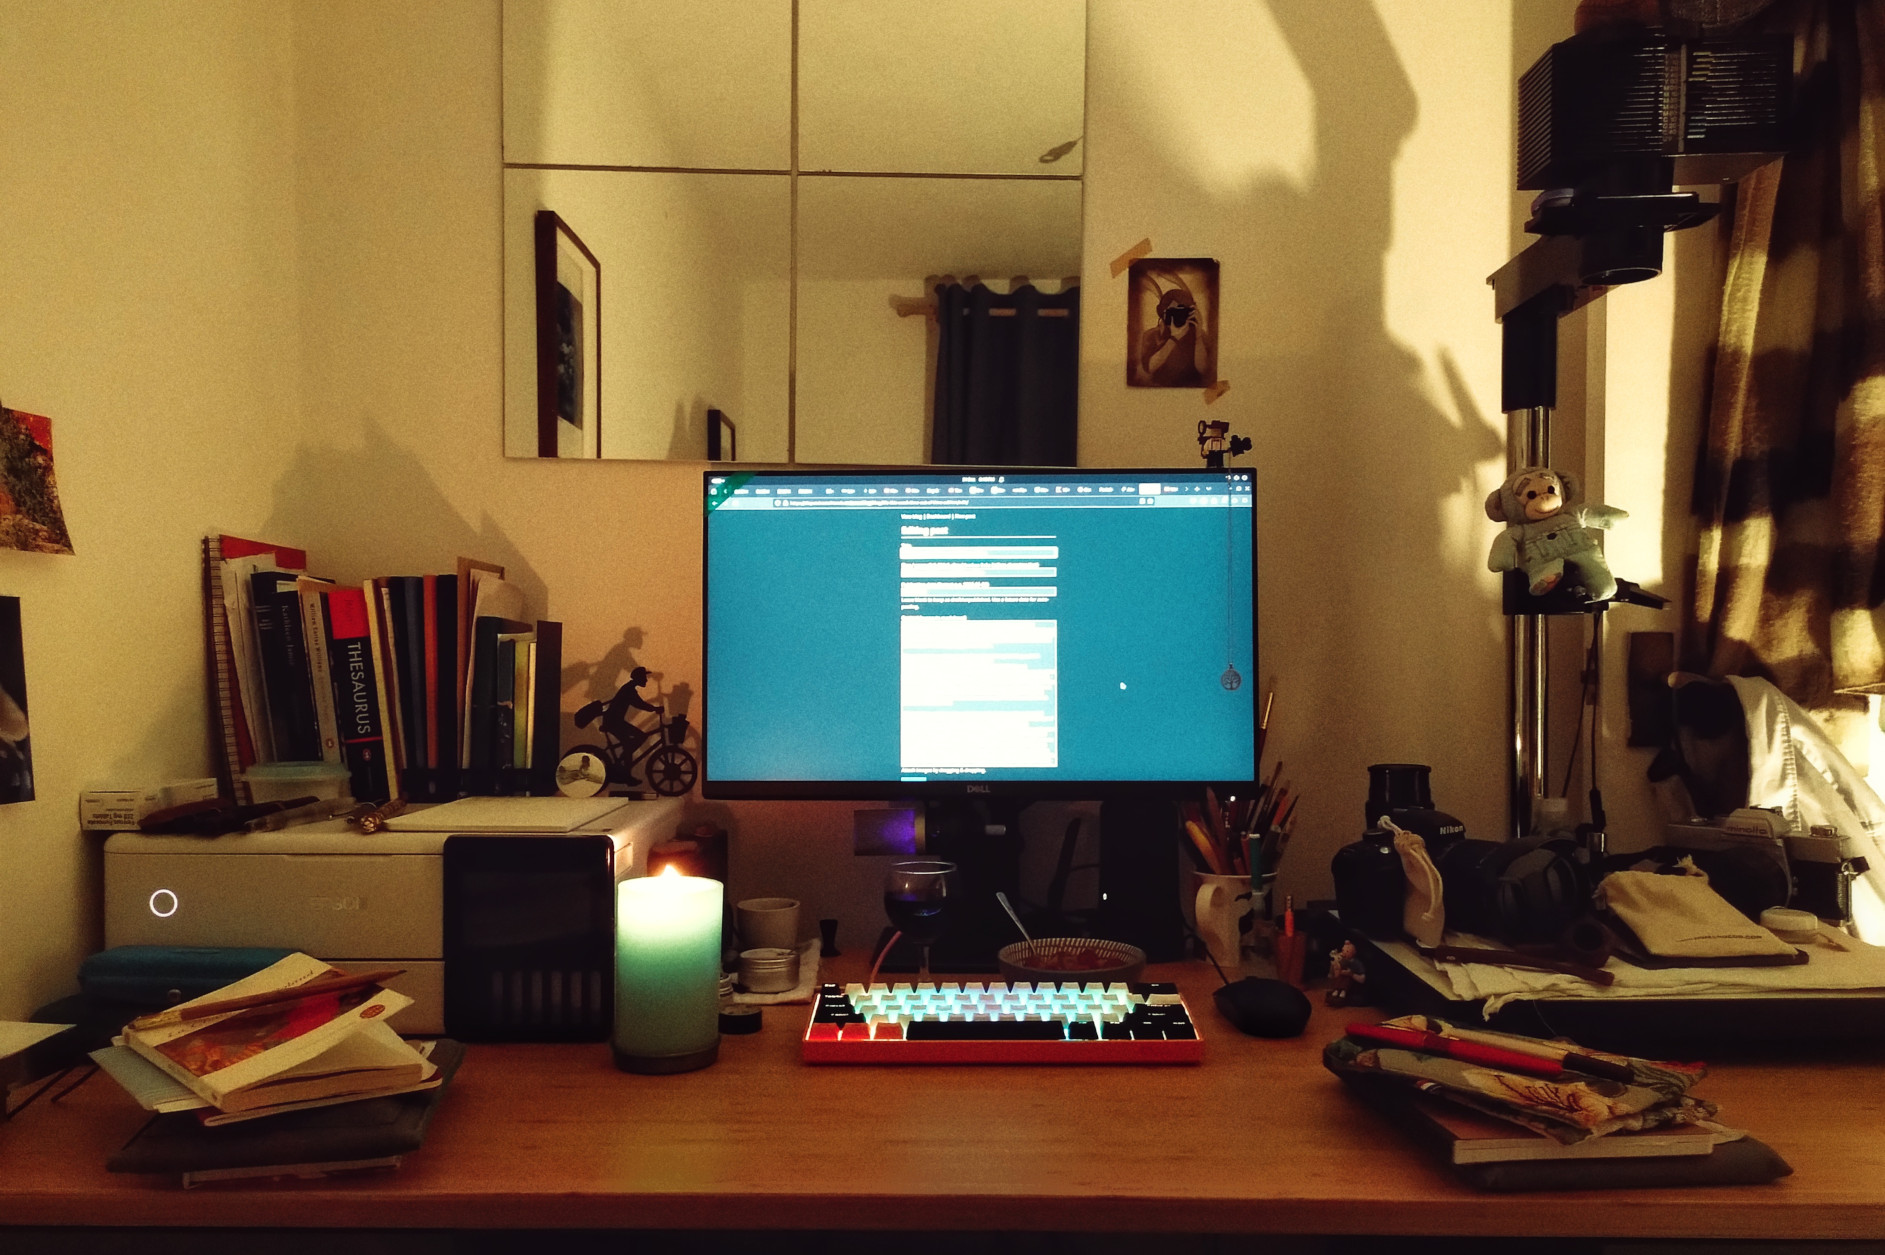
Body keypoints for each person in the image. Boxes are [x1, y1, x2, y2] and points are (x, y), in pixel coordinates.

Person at [600, 666, 659, 755]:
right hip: (614, 722)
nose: (646, 680)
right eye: (644, 677)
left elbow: (639, 703)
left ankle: (625, 761)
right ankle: (623, 761)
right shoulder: (629, 689)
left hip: (614, 721)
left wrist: (653, 708)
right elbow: (639, 704)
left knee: (628, 744)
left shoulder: (629, 687)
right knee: (640, 737)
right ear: (639, 678)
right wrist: (654, 709)